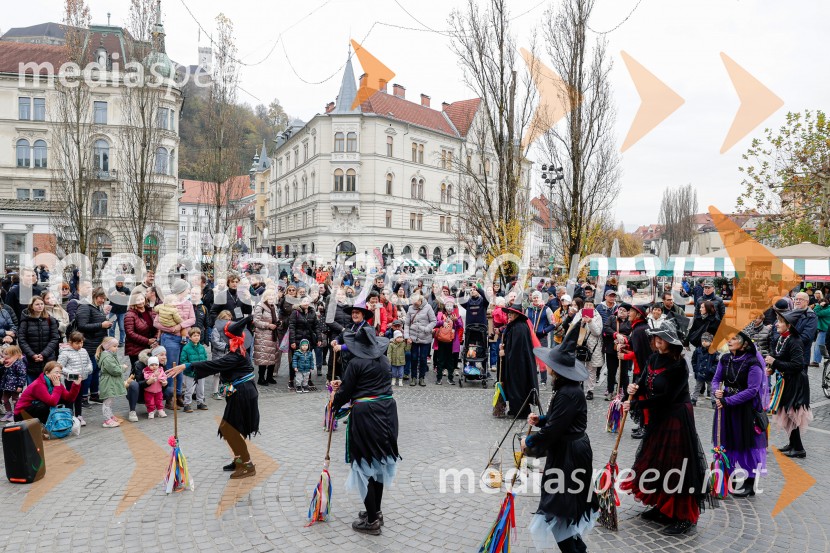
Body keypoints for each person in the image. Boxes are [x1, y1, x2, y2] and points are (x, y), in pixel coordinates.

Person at [621, 325, 708, 535]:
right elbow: (645, 382)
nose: (657, 342)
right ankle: (662, 506)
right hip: (660, 418)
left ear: (671, 342)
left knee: (677, 465)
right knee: (657, 461)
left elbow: (667, 397)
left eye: (662, 339)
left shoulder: (679, 365)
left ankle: (684, 516)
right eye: (655, 338)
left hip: (676, 417)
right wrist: (635, 389)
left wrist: (636, 405)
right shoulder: (652, 359)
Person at [523, 329, 599, 552]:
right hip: (568, 451)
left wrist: (529, 442)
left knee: (559, 510)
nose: (548, 368)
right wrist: (541, 420)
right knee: (564, 512)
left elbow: (555, 430)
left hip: (570, 457)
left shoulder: (568, 392)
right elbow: (559, 420)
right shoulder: (567, 389)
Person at [167, 316, 260, 480]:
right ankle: (239, 459)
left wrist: (186, 365)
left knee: (229, 428)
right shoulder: (237, 351)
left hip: (243, 393)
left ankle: (247, 464)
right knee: (229, 428)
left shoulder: (236, 355)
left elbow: (213, 365)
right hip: (239, 391)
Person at [330, 326, 400, 536]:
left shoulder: (355, 363)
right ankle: (376, 512)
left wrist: (335, 399)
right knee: (378, 462)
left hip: (367, 414)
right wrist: (343, 386)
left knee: (364, 463)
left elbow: (347, 392)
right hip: (387, 411)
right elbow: (368, 385)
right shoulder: (383, 361)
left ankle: (371, 521)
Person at [711, 329, 768, 496]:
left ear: (743, 344)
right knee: (727, 440)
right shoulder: (725, 358)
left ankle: (750, 481)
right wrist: (716, 392)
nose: (730, 340)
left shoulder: (752, 363)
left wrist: (728, 401)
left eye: (734, 338)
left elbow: (752, 390)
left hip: (745, 409)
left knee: (746, 443)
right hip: (726, 406)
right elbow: (716, 379)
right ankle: (730, 476)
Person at [766, 311, 811, 458]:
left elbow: (798, 365)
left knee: (792, 414)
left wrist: (775, 363)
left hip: (796, 382)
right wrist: (772, 369)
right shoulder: (782, 338)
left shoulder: (795, 341)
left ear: (789, 326)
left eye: (779, 322)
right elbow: (778, 356)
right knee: (785, 411)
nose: (776, 324)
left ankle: (799, 448)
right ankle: (792, 443)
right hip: (786, 380)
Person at [154, 279, 196, 407]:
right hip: (170, 338)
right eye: (187, 289)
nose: (189, 291)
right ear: (182, 290)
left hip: (184, 339)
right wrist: (172, 329)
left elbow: (192, 319)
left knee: (181, 367)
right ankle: (169, 397)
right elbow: (156, 323)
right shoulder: (167, 303)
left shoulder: (188, 303)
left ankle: (179, 395)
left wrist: (181, 325)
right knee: (171, 367)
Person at [500, 303, 540, 418]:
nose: (509, 315)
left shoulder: (519, 328)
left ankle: (520, 411)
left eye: (512, 313)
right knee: (514, 386)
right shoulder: (515, 326)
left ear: (518, 315)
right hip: (516, 362)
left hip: (518, 364)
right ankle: (515, 409)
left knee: (518, 387)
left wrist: (505, 352)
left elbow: (517, 349)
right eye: (509, 313)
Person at [14, 360, 81, 425]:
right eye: (56, 372)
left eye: (60, 373)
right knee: (44, 406)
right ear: (47, 373)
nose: (59, 375)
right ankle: (43, 425)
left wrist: (76, 385)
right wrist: (57, 387)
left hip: (34, 410)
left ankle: (49, 423)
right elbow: (52, 402)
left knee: (62, 399)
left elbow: (69, 399)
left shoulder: (56, 383)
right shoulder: (38, 384)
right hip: (21, 415)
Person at [75, 287, 112, 405]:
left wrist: (107, 324)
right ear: (95, 296)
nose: (103, 301)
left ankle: (94, 394)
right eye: (101, 298)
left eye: (104, 299)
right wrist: (101, 325)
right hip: (88, 344)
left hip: (98, 344)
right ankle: (84, 397)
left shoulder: (97, 307)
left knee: (96, 370)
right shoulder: (85, 307)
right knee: (89, 371)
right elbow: (82, 326)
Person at [618, 303, 649, 438]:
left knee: (643, 399)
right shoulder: (637, 328)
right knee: (640, 398)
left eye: (631, 311)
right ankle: (642, 424)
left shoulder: (639, 330)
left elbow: (638, 352)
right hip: (639, 370)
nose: (628, 313)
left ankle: (646, 427)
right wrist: (623, 345)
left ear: (638, 315)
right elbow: (634, 347)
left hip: (641, 371)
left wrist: (624, 356)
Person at [18, 296, 60, 384]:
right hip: (31, 360)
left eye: (41, 304)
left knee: (49, 387)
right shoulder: (25, 321)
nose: (40, 306)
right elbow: (22, 339)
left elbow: (55, 338)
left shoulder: (50, 319)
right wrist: (32, 355)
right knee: (33, 387)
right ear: (31, 306)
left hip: (48, 358)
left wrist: (43, 354)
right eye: (37, 304)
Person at [57, 332, 94, 425]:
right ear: (70, 342)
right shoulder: (65, 353)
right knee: (70, 398)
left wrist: (89, 368)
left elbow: (89, 362)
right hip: (71, 379)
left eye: (81, 343)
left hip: (82, 378)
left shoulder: (84, 351)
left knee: (79, 398)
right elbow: (60, 366)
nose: (80, 345)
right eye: (77, 343)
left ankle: (79, 415)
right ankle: (70, 416)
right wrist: (71, 373)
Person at [569, 300, 603, 400]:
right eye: (586, 305)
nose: (588, 306)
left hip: (593, 346)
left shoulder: (597, 316)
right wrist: (581, 322)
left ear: (594, 306)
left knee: (591, 369)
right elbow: (572, 328)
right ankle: (579, 387)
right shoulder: (579, 314)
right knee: (579, 366)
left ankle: (590, 390)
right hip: (580, 344)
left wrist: (590, 321)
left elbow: (597, 332)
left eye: (590, 305)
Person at [289, 296, 322, 390]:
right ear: (300, 302)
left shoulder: (312, 312)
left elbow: (316, 326)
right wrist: (292, 341)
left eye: (307, 300)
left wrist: (319, 338)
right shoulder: (295, 312)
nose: (306, 302)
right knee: (295, 359)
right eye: (304, 301)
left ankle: (307, 380)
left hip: (308, 340)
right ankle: (291, 380)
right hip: (297, 340)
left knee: (308, 358)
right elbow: (292, 327)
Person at [403, 293, 436, 387]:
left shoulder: (428, 307)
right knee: (413, 358)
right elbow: (407, 324)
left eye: (416, 302)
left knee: (423, 358)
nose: (414, 304)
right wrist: (407, 337)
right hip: (413, 337)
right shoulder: (410, 308)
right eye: (413, 302)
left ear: (420, 300)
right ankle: (413, 377)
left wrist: (427, 329)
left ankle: (422, 377)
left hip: (425, 337)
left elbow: (434, 321)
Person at [527, 291, 556, 390]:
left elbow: (553, 324)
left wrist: (544, 331)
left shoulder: (546, 309)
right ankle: (533, 381)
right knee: (531, 359)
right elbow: (526, 321)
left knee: (542, 359)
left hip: (541, 337)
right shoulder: (529, 309)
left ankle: (543, 381)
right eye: (534, 297)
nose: (535, 299)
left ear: (540, 298)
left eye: (537, 297)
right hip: (531, 337)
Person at [96, 336, 127, 428]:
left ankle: (110, 416)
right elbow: (114, 370)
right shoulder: (107, 357)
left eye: (117, 346)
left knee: (110, 400)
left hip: (110, 381)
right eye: (114, 346)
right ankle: (107, 420)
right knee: (107, 402)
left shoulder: (109, 355)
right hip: (108, 382)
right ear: (108, 346)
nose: (116, 348)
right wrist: (122, 368)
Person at [253, 289, 280, 386]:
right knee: (263, 357)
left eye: (273, 296)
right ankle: (261, 378)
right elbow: (256, 321)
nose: (271, 298)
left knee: (272, 356)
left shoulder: (274, 307)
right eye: (270, 296)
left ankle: (269, 377)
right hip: (263, 335)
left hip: (273, 334)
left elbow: (275, 319)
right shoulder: (260, 306)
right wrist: (268, 325)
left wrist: (278, 323)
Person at [433, 298, 463, 385]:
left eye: (451, 306)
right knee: (440, 359)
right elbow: (435, 323)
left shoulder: (456, 315)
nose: (449, 308)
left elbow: (460, 326)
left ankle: (450, 378)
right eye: (448, 306)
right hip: (442, 340)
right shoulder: (440, 314)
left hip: (452, 341)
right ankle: (439, 378)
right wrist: (442, 322)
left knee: (451, 360)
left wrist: (456, 320)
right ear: (445, 307)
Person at [124, 293, 158, 368]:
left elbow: (157, 326)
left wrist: (155, 339)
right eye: (137, 300)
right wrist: (147, 341)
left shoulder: (150, 311)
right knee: (137, 371)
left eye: (142, 299)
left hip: (151, 346)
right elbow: (130, 333)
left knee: (150, 369)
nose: (140, 301)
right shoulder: (130, 314)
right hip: (136, 348)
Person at [179, 327, 209, 412]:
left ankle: (200, 402)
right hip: (190, 373)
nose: (196, 337)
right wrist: (190, 369)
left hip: (201, 372)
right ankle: (187, 404)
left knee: (201, 389)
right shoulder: (186, 348)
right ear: (190, 337)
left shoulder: (202, 348)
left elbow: (205, 358)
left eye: (198, 335)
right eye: (194, 335)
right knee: (190, 389)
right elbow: (183, 360)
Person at [0, 346, 27, 422]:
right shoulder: (6, 363)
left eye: (6, 354)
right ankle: (8, 413)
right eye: (4, 354)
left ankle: (16, 414)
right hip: (6, 386)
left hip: (15, 386)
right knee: (4, 400)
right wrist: (2, 364)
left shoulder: (18, 363)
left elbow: (22, 375)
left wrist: (20, 385)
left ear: (14, 354)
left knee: (15, 400)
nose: (4, 355)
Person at [691, 332, 718, 406]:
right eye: (702, 341)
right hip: (700, 373)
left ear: (710, 342)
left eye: (706, 341)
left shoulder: (714, 352)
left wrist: (712, 370)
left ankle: (714, 402)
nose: (704, 342)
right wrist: (696, 369)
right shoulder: (698, 350)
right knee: (697, 387)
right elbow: (693, 360)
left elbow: (717, 363)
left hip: (710, 374)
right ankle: (694, 400)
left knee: (712, 388)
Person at [108, 275, 131, 346]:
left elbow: (129, 300)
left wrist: (125, 296)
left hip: (122, 312)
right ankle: (112, 341)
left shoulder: (126, 290)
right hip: (113, 311)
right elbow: (107, 298)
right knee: (111, 327)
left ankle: (122, 341)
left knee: (122, 327)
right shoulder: (112, 289)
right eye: (119, 283)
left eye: (121, 283)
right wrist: (112, 295)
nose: (120, 284)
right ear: (116, 282)